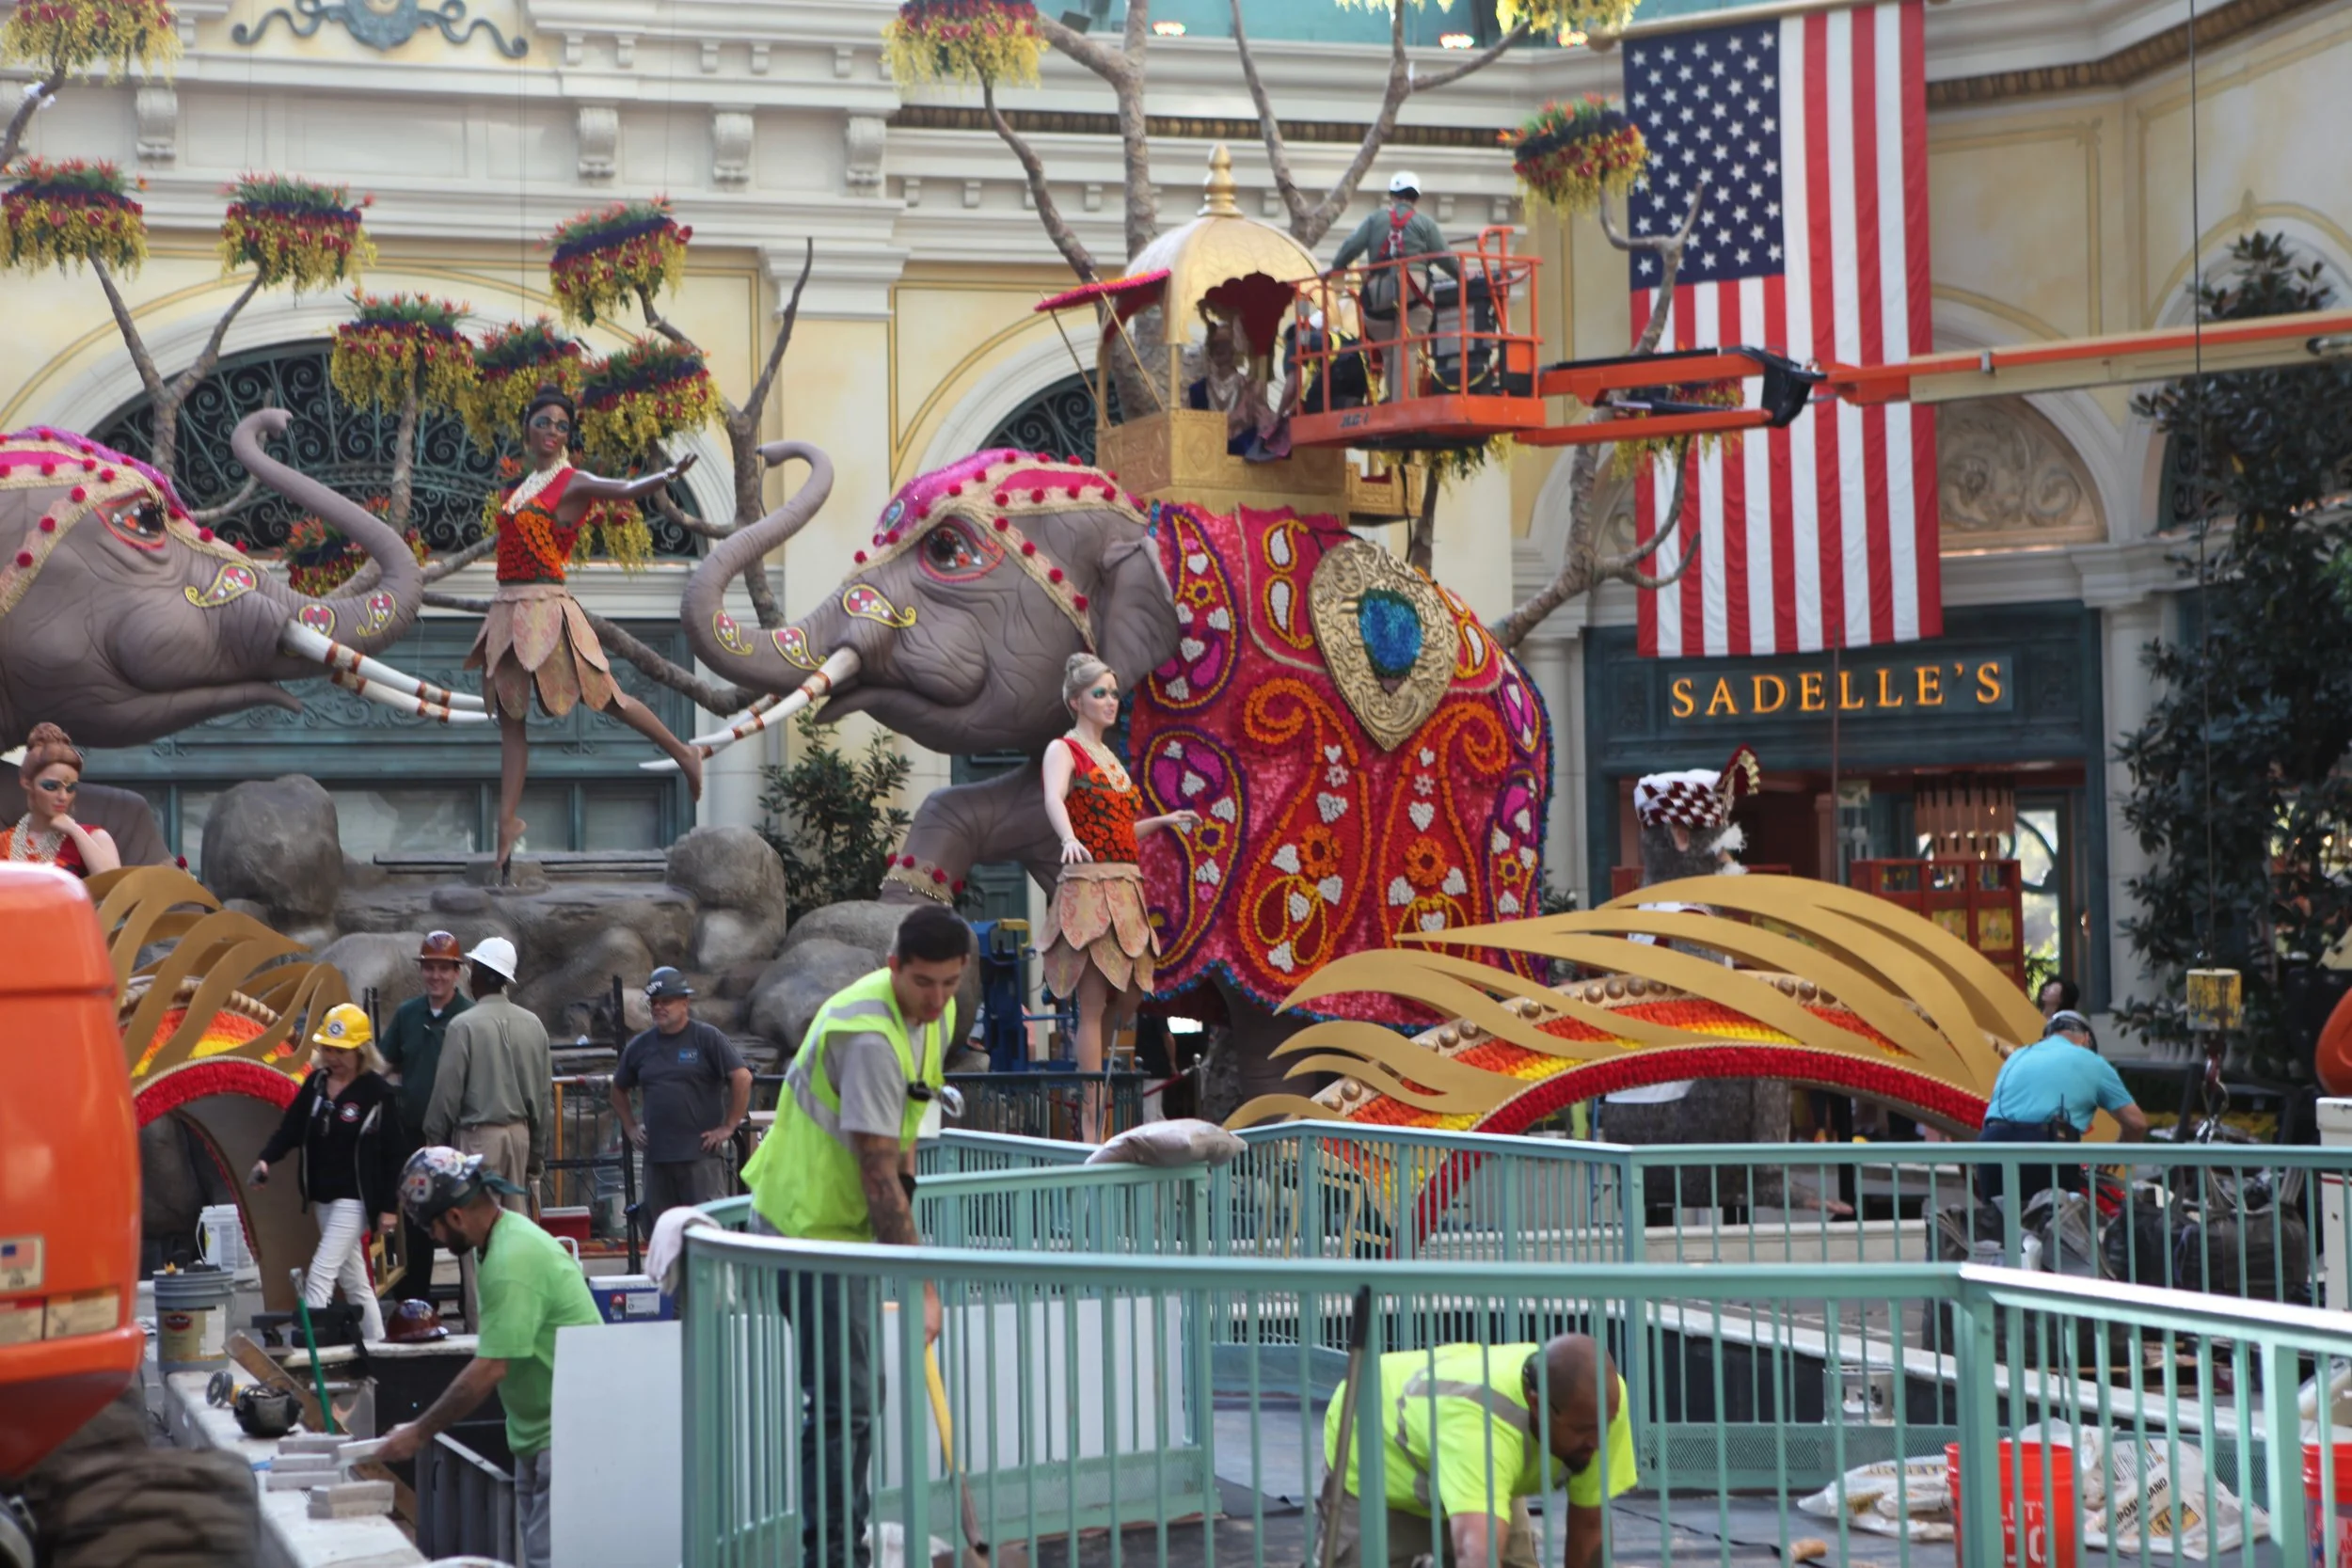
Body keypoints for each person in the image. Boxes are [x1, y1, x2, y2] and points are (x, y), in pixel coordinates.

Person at [737, 904, 971, 1568]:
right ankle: (834, 1555)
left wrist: (898, 1249)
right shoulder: (866, 1035)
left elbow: (905, 1152)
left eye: (951, 982)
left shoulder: (935, 1016)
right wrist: (922, 1285)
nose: (937, 997)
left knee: (857, 1399)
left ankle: (848, 1542)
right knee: (845, 1403)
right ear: (894, 966)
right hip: (806, 1229)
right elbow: (876, 1174)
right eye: (924, 982)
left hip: (849, 1232)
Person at [470, 385, 704, 871]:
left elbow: (620, 489)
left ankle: (684, 752)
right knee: (510, 721)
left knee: (608, 698)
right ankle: (506, 825)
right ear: (527, 429)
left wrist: (665, 476)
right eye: (544, 423)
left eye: (562, 426)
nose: (553, 432)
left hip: (545, 608)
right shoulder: (520, 490)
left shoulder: (572, 482)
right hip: (507, 608)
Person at [376, 1147, 601, 1568]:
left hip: (568, 1439)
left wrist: (420, 1432)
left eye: (433, 1230)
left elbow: (490, 1368)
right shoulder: (496, 1241)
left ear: (456, 1217)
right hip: (540, 1435)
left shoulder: (511, 1259)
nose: (435, 1240)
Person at [1039, 654, 1198, 1142]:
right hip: (1089, 885)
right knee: (1091, 999)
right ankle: (1092, 1115)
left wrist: (1163, 822)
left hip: (1125, 885)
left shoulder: (1111, 760)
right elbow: (1052, 797)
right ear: (1076, 700)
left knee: (1129, 992)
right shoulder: (1064, 750)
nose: (1111, 701)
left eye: (1113, 692)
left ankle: (1100, 1097)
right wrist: (1066, 836)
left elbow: (1121, 829)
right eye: (1100, 693)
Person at [1322, 1332, 1637, 1568]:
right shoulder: (1480, 1425)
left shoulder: (1602, 1404)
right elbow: (1477, 1557)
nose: (1598, 1443)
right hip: (1378, 1448)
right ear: (1537, 1405)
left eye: (1604, 1426)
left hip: (1477, 1464)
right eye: (1583, 1431)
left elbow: (1590, 1524)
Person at [248, 1003, 404, 1344]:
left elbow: (394, 1154)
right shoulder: (317, 1083)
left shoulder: (377, 1093)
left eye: (341, 1051)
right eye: (327, 1049)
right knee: (356, 1282)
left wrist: (390, 1207)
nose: (332, 1057)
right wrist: (266, 1160)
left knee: (320, 1273)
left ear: (360, 1051)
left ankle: (310, 1351)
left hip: (356, 1199)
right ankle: (379, 1349)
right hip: (322, 1196)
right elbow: (291, 1128)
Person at [610, 967, 752, 1238]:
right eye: (654, 1002)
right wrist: (630, 1128)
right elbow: (618, 1090)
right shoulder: (640, 1046)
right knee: (662, 1237)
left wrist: (729, 1127)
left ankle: (710, 1282)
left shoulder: (706, 1038)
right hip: (657, 1160)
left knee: (707, 1234)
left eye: (667, 1001)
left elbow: (742, 1077)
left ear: (685, 1003)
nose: (659, 1007)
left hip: (700, 1159)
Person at [423, 937, 550, 1215]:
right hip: (520, 1137)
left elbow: (447, 1093)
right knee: (516, 1225)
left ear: (477, 972)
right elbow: (543, 1098)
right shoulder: (534, 1025)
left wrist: (435, 1143)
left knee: (476, 1223)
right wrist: (536, 1155)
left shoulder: (463, 1025)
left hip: (477, 1138)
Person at [378, 931, 472, 1306]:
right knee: (417, 1222)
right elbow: (384, 1063)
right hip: (415, 1136)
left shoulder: (468, 1017)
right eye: (429, 968)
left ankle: (473, 1305)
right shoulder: (407, 1014)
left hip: (459, 1136)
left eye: (443, 969)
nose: (436, 976)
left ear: (456, 972)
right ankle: (414, 1306)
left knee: (463, 1218)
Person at [1976, 1008, 2150, 1205]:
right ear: (2086, 1039)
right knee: (2057, 1230)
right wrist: (2120, 1151)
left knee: (2001, 1229)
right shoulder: (2092, 1061)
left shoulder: (2018, 1056)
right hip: (2046, 1149)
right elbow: (2136, 1123)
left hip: (1992, 1146)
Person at [1330, 172, 1460, 404]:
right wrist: (1465, 278)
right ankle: (1404, 402)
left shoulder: (1374, 220)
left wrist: (1337, 268)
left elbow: (1349, 248)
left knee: (1390, 350)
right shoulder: (1424, 224)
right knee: (1407, 347)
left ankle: (1393, 399)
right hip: (1415, 288)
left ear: (1392, 196)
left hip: (1378, 292)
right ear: (1416, 198)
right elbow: (1447, 260)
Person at [2, 722, 119, 878]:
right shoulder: (4, 842)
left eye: (70, 788)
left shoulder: (94, 837)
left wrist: (75, 831)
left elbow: (115, 887)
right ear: (27, 782)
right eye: (51, 786)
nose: (63, 796)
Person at [1184, 309, 1290, 461]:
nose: (1221, 354)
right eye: (1217, 349)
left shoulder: (1250, 386)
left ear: (1234, 353)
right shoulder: (1197, 390)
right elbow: (1188, 427)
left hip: (1242, 457)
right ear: (1211, 353)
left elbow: (1264, 422)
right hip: (1206, 457)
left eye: (1226, 349)